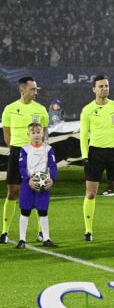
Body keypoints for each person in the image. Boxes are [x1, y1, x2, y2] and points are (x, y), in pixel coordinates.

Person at [79, 75, 114, 242]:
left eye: (106, 86)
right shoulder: (87, 110)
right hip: (95, 154)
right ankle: (88, 231)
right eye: (101, 86)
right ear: (94, 89)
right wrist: (84, 156)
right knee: (90, 194)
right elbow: (83, 135)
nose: (104, 88)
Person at [1, 76, 48, 245]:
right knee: (12, 192)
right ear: (22, 90)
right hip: (17, 152)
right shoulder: (10, 109)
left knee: (38, 190)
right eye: (32, 89)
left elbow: (44, 133)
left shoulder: (41, 109)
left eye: (36, 89)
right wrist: (18, 150)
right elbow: (7, 133)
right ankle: (4, 231)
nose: (35, 92)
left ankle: (41, 232)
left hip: (36, 155)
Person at [17, 122, 57, 249]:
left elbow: (53, 166)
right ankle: (22, 239)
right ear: (28, 134)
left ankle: (46, 238)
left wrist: (52, 180)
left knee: (43, 211)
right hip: (28, 184)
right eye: (33, 133)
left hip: (43, 185)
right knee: (25, 211)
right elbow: (22, 166)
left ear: (43, 133)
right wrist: (28, 179)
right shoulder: (25, 149)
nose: (36, 135)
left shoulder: (48, 149)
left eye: (38, 132)